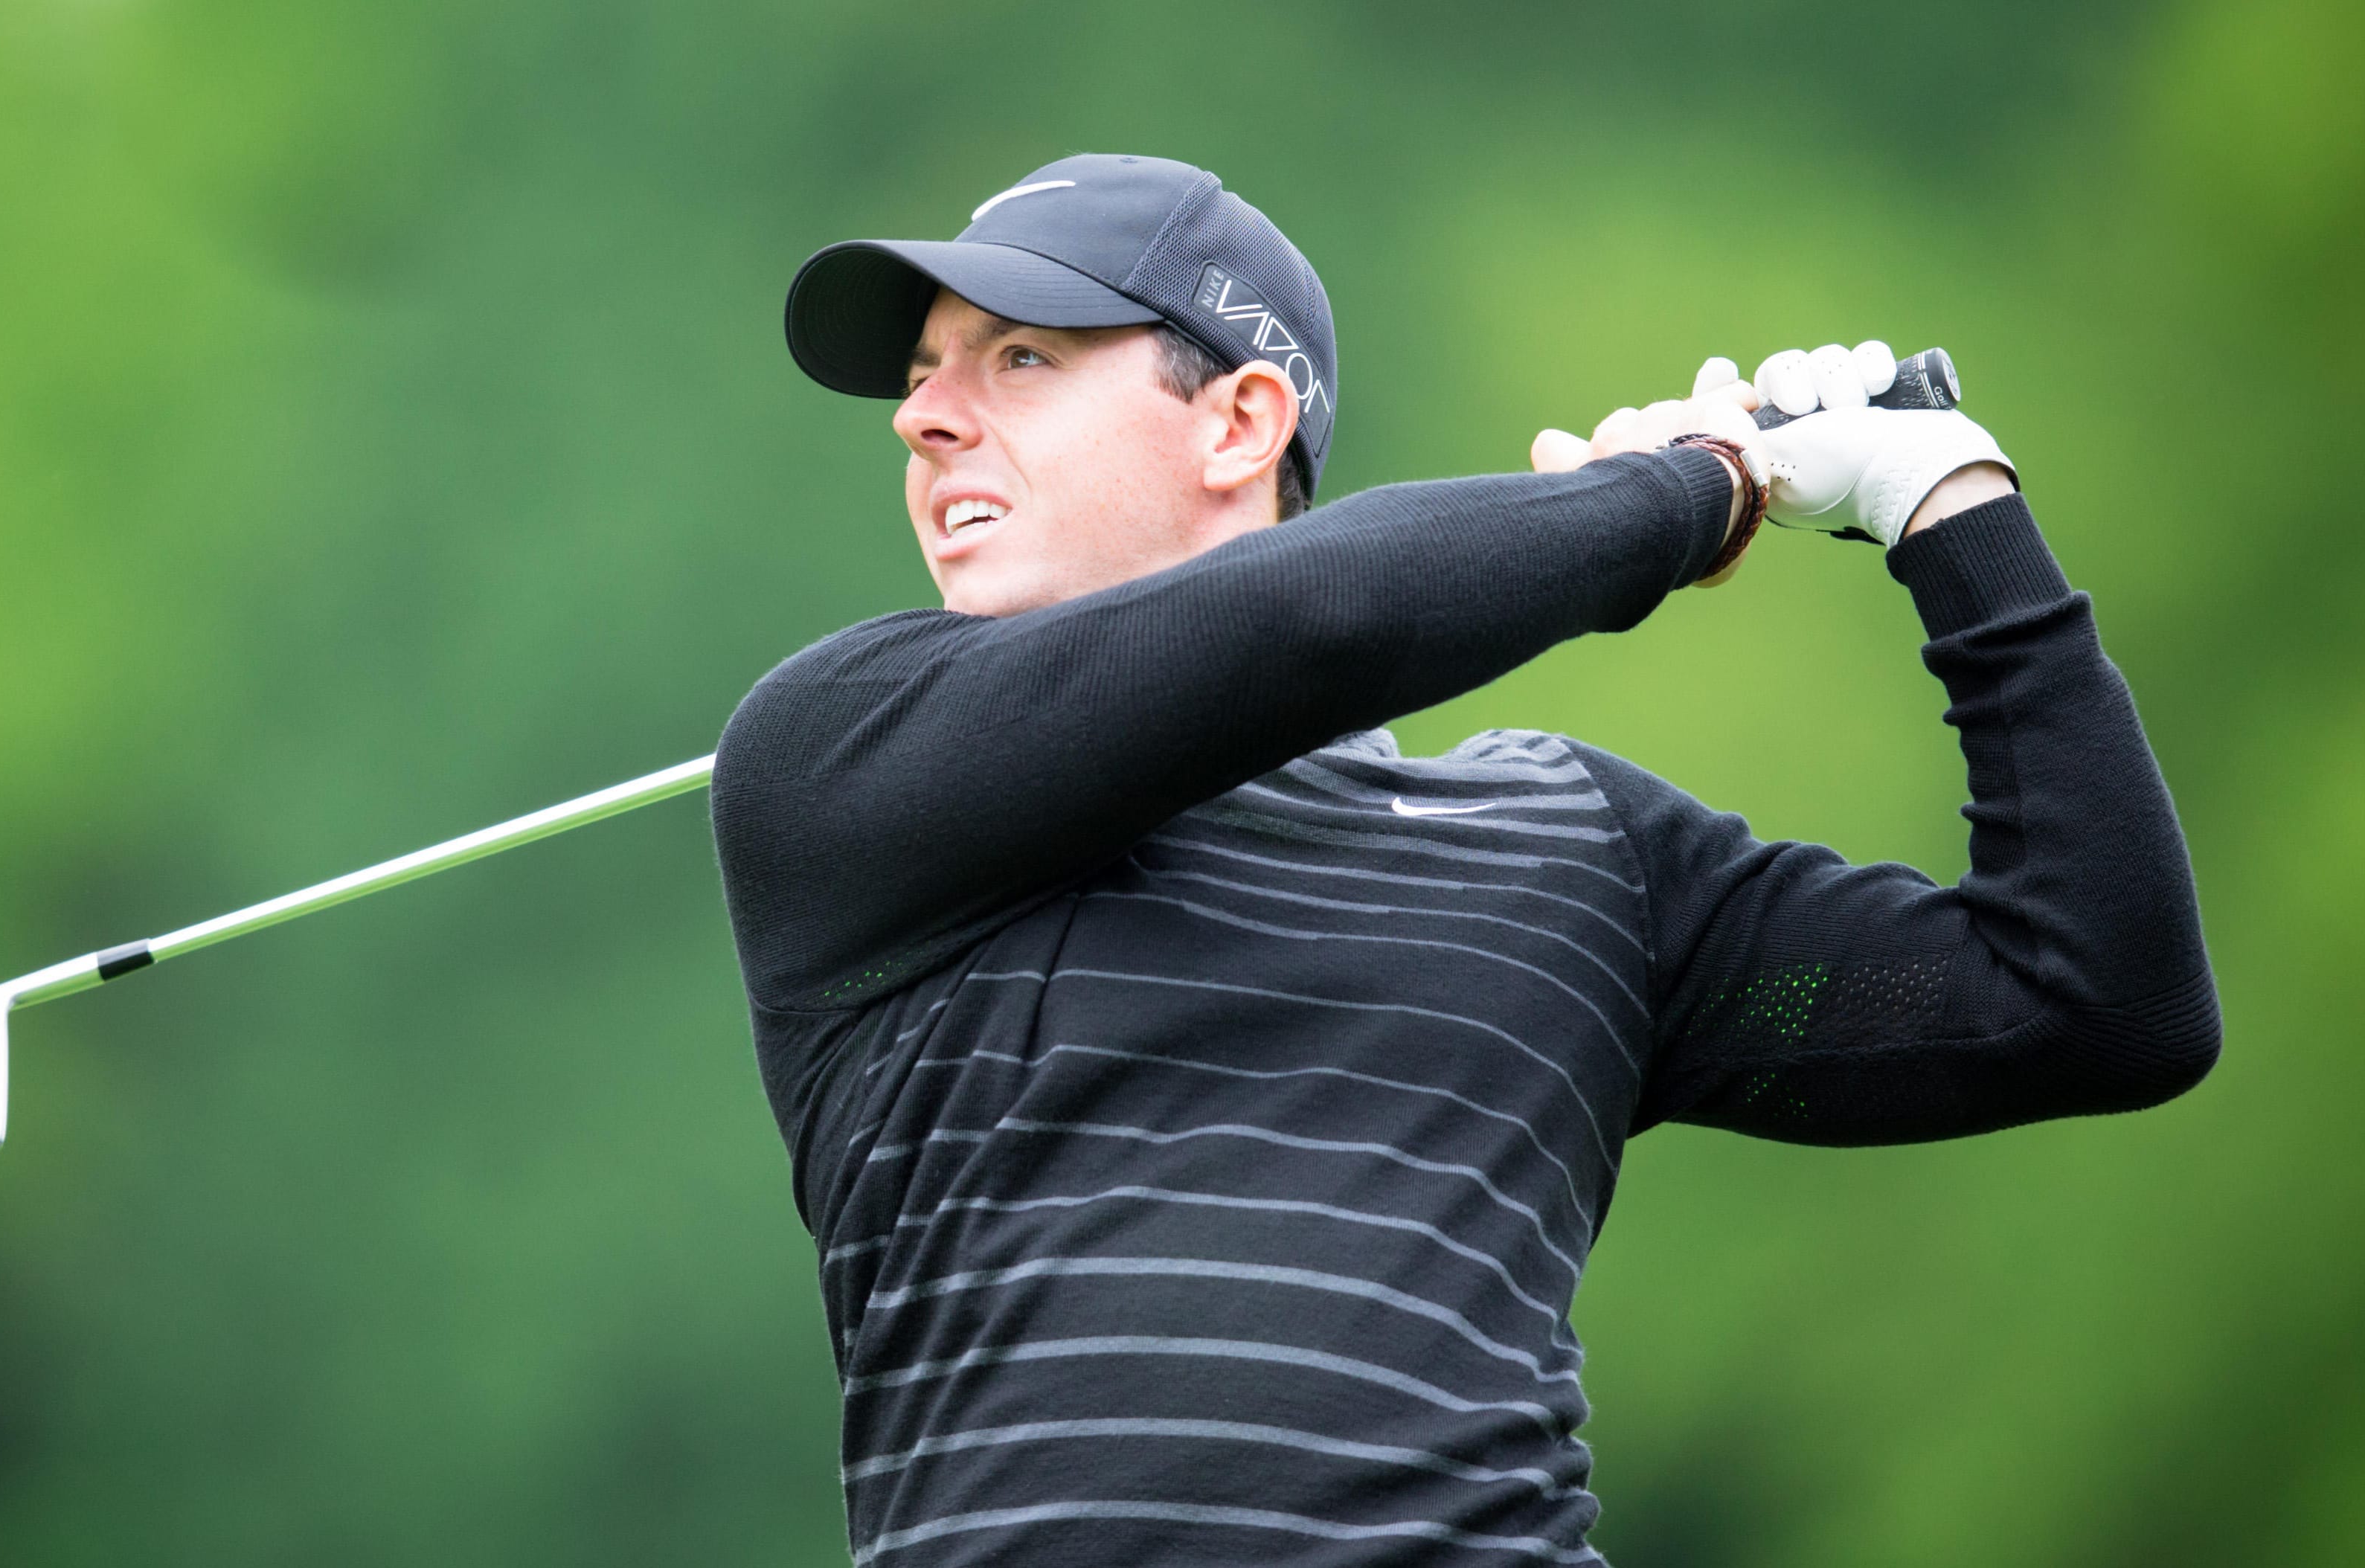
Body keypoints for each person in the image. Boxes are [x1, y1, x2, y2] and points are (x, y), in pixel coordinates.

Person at [710, 152, 2220, 1565]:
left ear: (1237, 422)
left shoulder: (1575, 853)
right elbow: (1318, 623)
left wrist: (1946, 505)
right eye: (919, 381)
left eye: (1017, 357)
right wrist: (1688, 489)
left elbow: (2089, 996)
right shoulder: (841, 762)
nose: (924, 417)